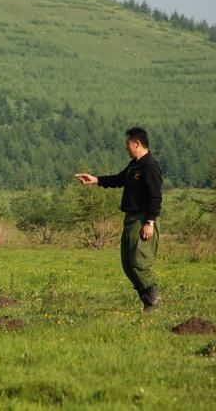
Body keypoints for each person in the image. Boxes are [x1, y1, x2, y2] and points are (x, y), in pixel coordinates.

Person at [75, 127, 163, 313]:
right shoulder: (134, 165)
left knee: (139, 262)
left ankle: (152, 300)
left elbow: (156, 197)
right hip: (130, 219)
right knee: (127, 263)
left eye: (128, 144)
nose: (126, 147)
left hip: (143, 220)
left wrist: (150, 222)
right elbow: (118, 179)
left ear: (137, 144)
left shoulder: (150, 166)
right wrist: (96, 180)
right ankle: (147, 300)